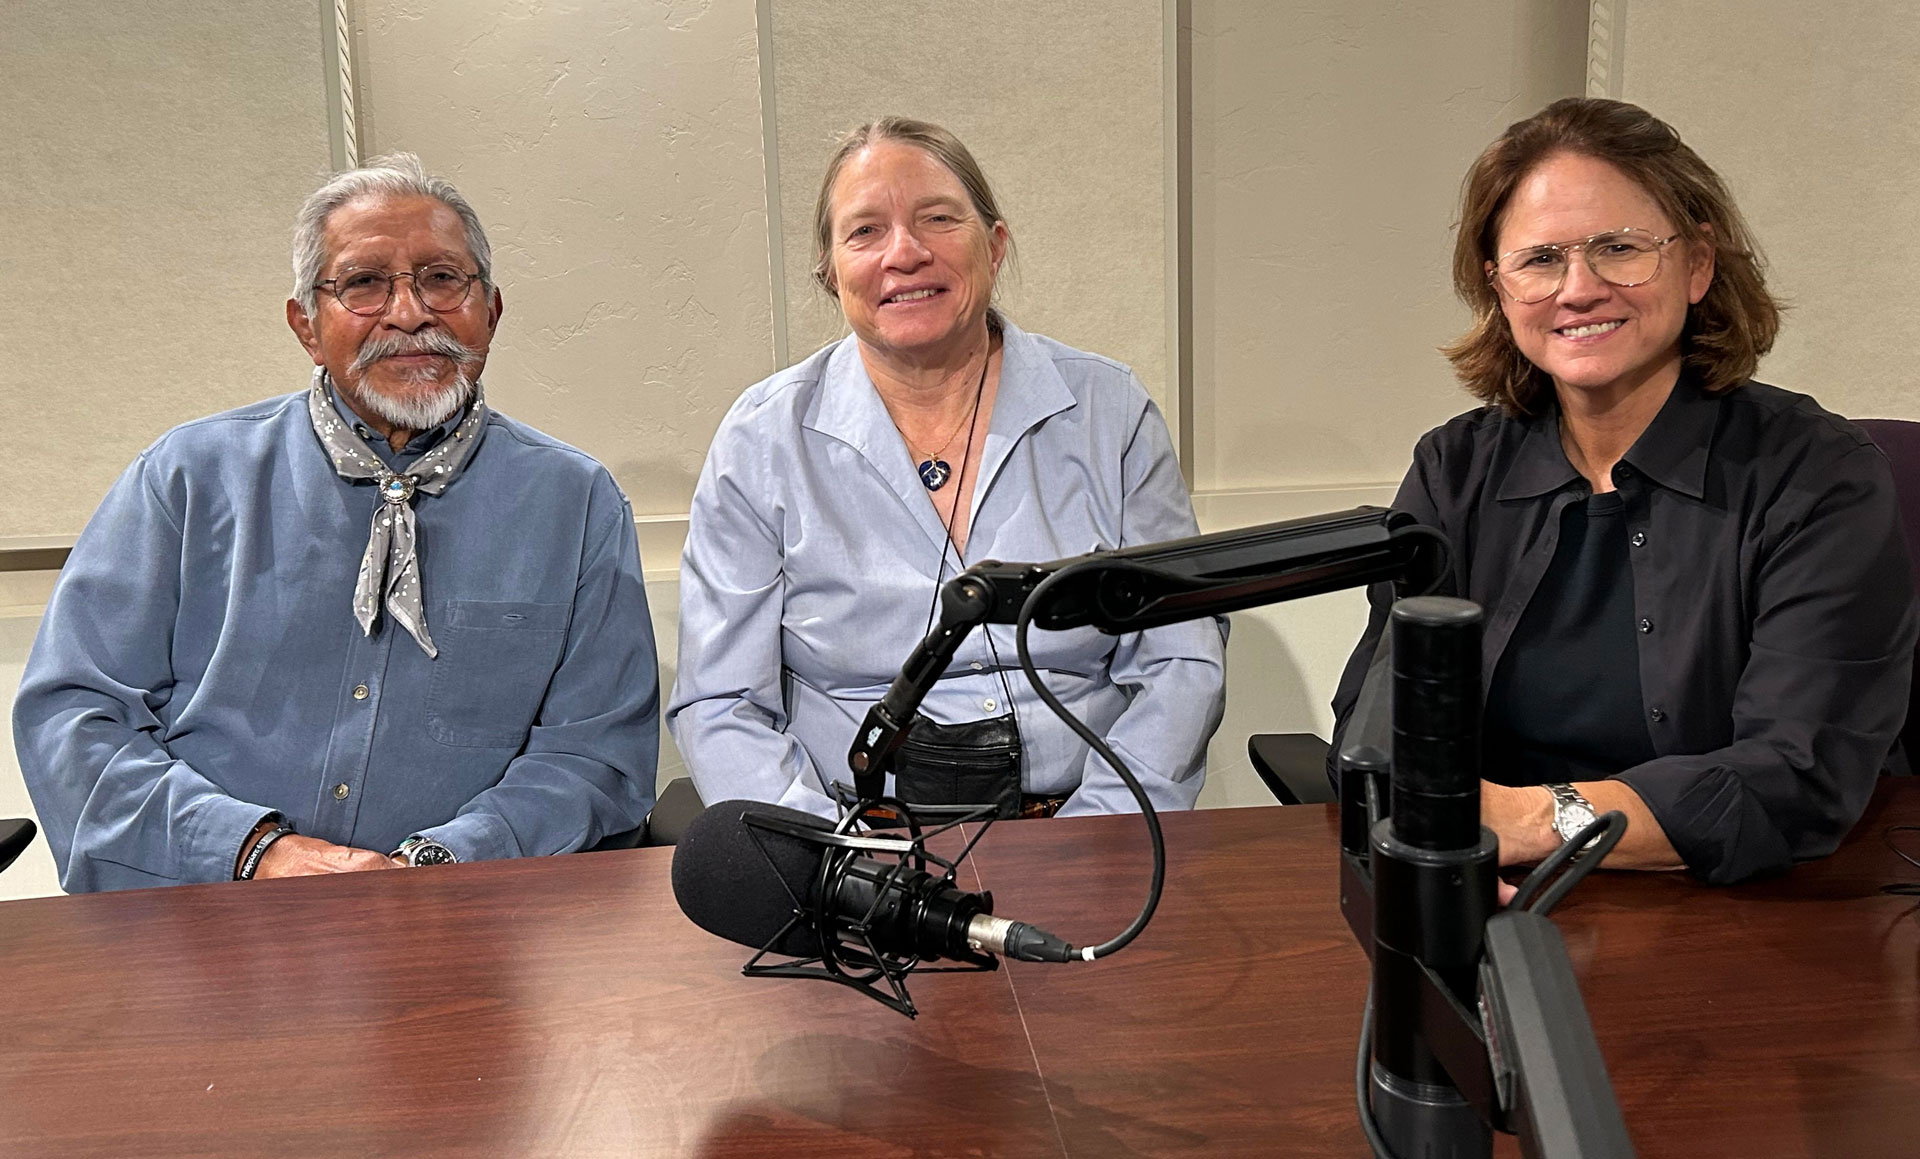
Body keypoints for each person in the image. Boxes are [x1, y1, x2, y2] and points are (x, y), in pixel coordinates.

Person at [14, 153, 660, 892]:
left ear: (492, 311)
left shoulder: (575, 503)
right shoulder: (185, 478)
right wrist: (251, 849)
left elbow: (596, 754)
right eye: (364, 284)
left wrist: (434, 866)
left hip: (467, 927)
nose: (410, 312)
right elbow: (74, 716)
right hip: (202, 914)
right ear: (306, 327)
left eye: (443, 279)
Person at [1331, 98, 1917, 886]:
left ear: (1699, 264)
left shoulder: (1817, 475)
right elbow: (1375, 731)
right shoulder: (1453, 471)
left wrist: (1534, 821)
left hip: (1762, 910)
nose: (1580, 288)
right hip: (1496, 896)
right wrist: (1442, 848)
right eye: (1541, 260)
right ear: (1498, 288)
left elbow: (1796, 774)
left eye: (1620, 248)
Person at [668, 118, 1225, 820]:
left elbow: (1183, 660)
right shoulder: (761, 439)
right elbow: (721, 702)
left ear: (994, 247)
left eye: (937, 218)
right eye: (865, 231)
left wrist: (1099, 838)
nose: (904, 253)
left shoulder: (1110, 412)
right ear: (829, 270)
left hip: (1083, 826)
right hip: (850, 837)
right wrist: (829, 862)